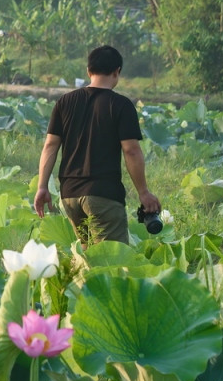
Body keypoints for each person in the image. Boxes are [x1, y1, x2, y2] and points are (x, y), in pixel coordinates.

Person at [33, 45, 160, 245]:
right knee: (111, 265)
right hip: (103, 195)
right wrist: (143, 192)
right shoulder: (121, 105)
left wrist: (42, 187)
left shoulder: (64, 102)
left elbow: (50, 146)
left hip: (70, 196)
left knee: (88, 260)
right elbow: (131, 150)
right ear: (117, 71)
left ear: (88, 71)